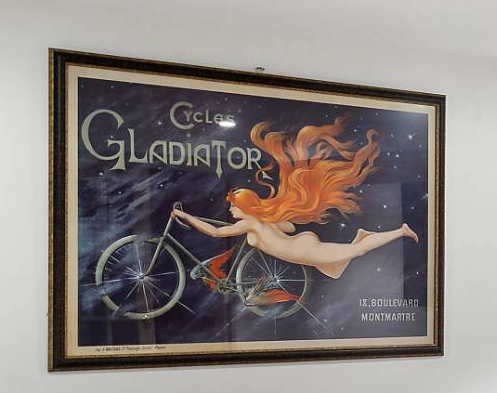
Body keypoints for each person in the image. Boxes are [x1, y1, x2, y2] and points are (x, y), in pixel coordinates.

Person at [174, 117, 416, 281]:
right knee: (335, 270)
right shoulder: (262, 219)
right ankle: (363, 236)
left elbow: (216, 232)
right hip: (301, 245)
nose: (231, 211)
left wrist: (185, 215)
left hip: (303, 250)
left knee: (359, 251)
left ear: (245, 207)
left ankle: (400, 231)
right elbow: (288, 227)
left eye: (234, 207)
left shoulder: (250, 223)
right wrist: (272, 224)